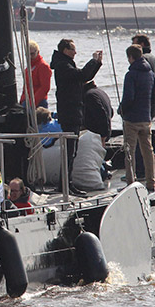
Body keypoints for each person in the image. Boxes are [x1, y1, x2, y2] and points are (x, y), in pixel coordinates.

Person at [50, 39, 103, 196]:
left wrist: (97, 63)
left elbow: (84, 77)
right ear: (65, 50)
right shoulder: (62, 65)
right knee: (70, 151)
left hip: (73, 112)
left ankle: (65, 183)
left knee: (72, 151)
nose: (75, 52)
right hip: (69, 113)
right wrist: (92, 61)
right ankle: (65, 184)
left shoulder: (65, 63)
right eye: (73, 49)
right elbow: (81, 75)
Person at [118, 44, 155, 193]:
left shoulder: (131, 74)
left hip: (132, 120)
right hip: (146, 118)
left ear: (130, 57)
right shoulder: (150, 73)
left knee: (130, 151)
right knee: (148, 151)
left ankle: (130, 183)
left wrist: (121, 110)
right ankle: (151, 183)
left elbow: (128, 97)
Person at [131, 34, 155, 180]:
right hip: (152, 106)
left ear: (141, 45)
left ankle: (139, 172)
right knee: (146, 141)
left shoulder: (143, 61)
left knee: (138, 141)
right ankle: (149, 174)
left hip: (142, 108)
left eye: (134, 44)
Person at [20, 40, 52, 108]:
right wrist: (21, 101)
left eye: (32, 54)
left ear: (38, 52)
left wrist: (32, 102)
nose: (30, 57)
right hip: (26, 102)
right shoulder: (28, 68)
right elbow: (26, 87)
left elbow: (45, 88)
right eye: (28, 54)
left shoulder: (43, 66)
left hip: (39, 102)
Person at [83, 80, 113, 147]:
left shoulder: (89, 95)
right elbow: (111, 112)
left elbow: (101, 115)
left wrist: (103, 135)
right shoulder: (100, 92)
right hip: (104, 132)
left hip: (97, 136)